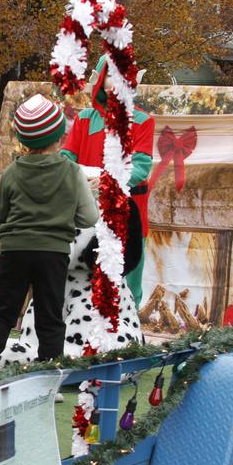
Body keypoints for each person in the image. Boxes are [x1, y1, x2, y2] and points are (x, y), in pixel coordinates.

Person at [0, 94, 100, 371]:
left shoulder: (12, 172)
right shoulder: (72, 172)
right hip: (53, 252)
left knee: (3, 311)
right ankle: (48, 374)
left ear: (24, 139)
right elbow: (89, 217)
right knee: (50, 314)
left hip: (14, 251)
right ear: (59, 136)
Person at [60, 57, 155, 307]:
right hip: (86, 210)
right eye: (112, 75)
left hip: (128, 210)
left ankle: (128, 328)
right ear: (101, 80)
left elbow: (142, 166)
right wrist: (78, 176)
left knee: (128, 271)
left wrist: (108, 182)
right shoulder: (85, 119)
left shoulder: (143, 121)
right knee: (83, 270)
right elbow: (68, 156)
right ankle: (80, 327)